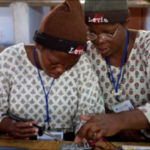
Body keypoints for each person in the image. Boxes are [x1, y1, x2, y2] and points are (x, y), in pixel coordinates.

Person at [0, 0, 105, 141]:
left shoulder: (83, 65)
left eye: (69, 66)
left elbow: (90, 112)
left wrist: (84, 131)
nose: (61, 70)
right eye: (54, 63)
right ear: (38, 44)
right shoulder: (10, 59)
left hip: (68, 143)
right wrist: (10, 125)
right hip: (20, 143)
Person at [75, 0, 150, 142]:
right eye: (91, 33)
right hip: (111, 141)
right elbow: (83, 101)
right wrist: (108, 119)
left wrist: (119, 121)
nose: (99, 41)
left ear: (126, 23)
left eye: (108, 33)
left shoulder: (147, 46)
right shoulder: (87, 53)